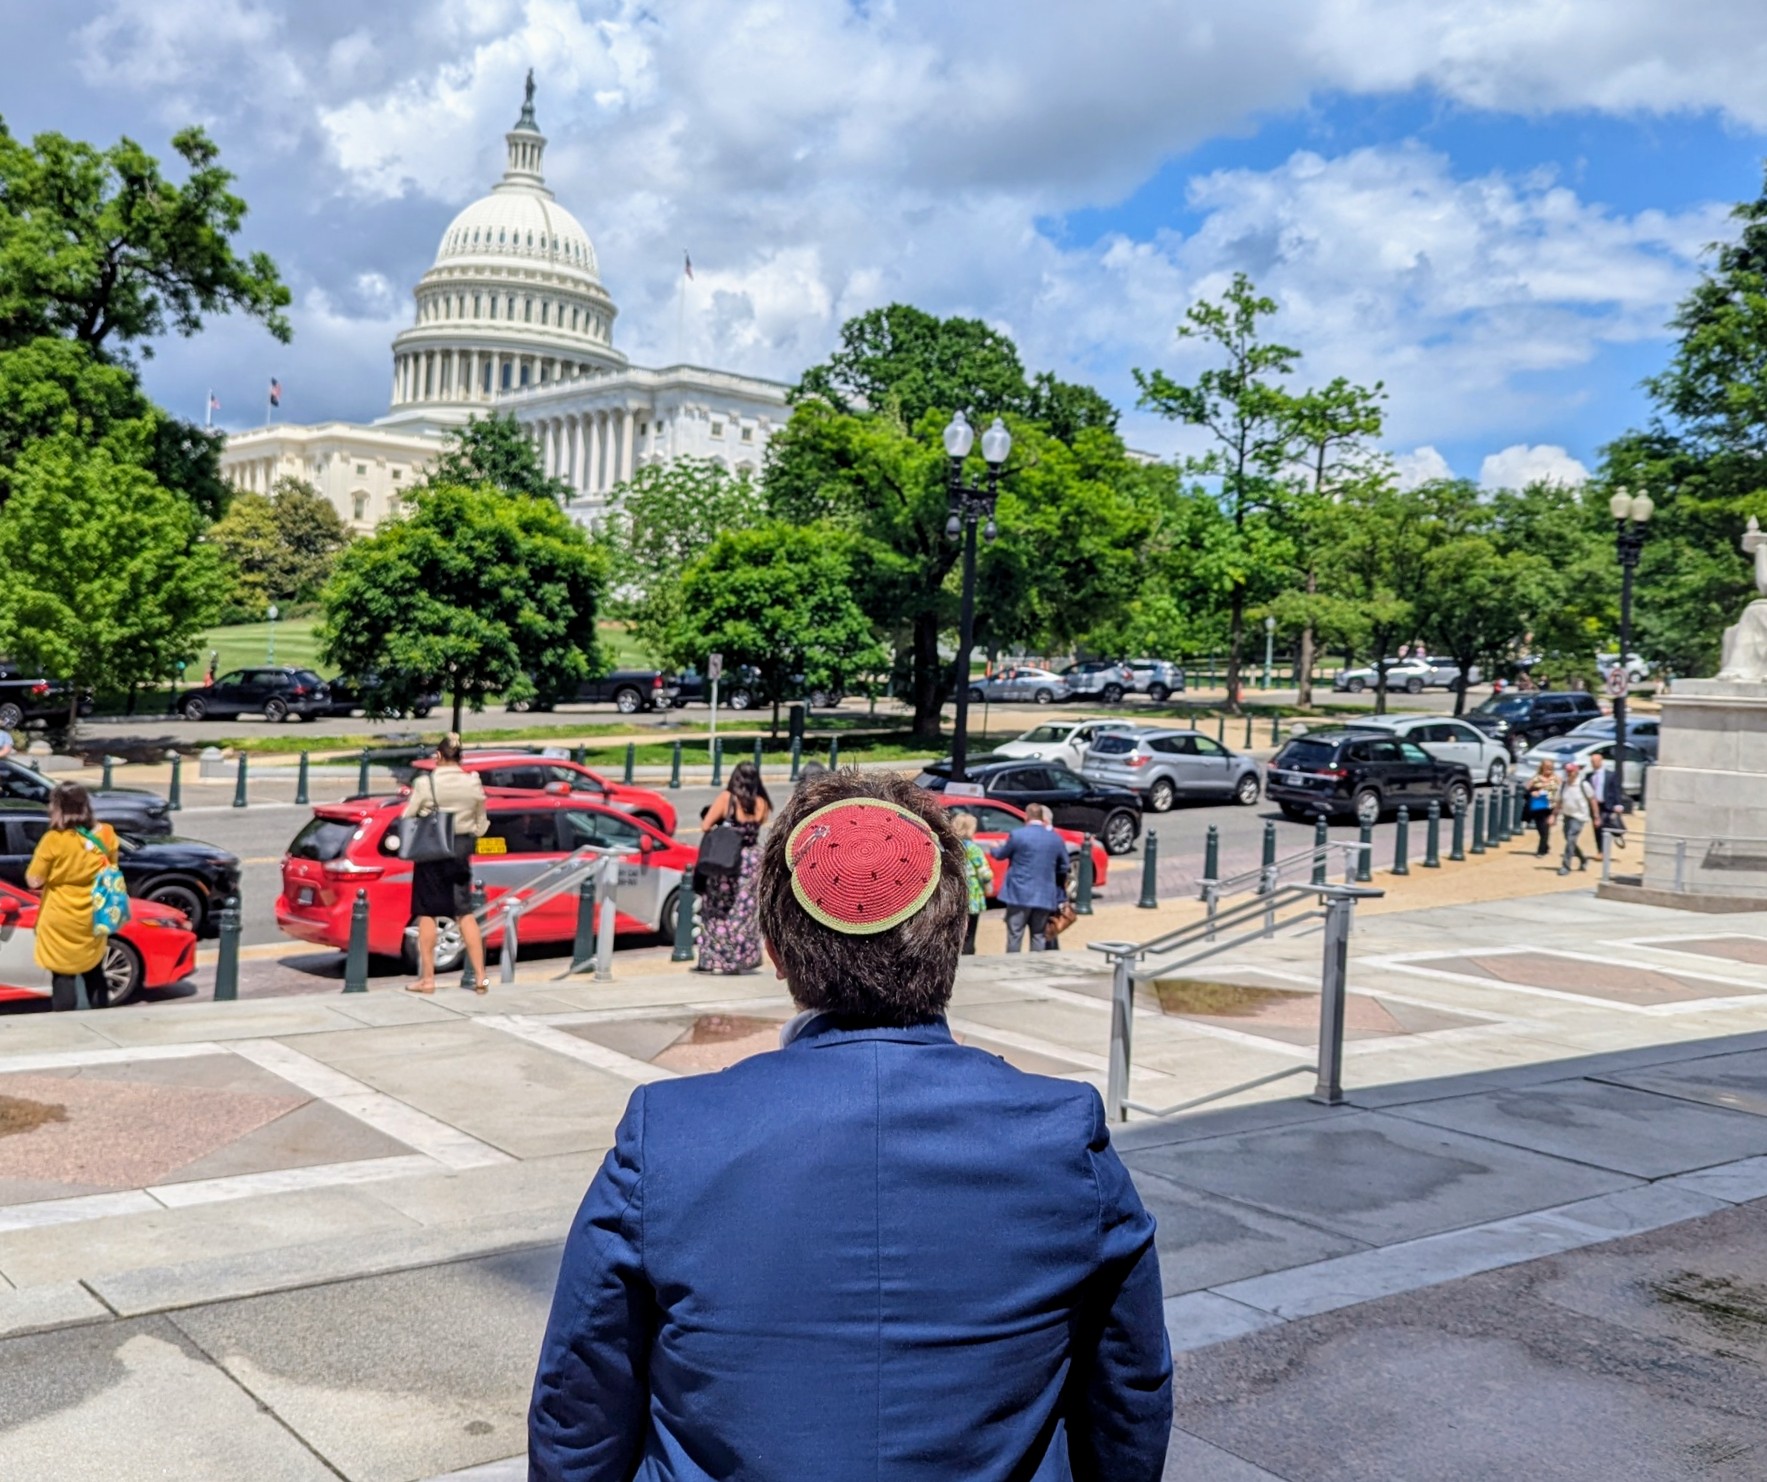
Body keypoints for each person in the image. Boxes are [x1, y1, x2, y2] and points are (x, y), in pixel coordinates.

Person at [529, 771, 1172, 1480]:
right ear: (955, 938)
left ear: (773, 948)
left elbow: (580, 1403)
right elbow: (1128, 1393)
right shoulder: (1062, 1136)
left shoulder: (671, 1137)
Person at [402, 733, 489, 994]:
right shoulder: (473, 782)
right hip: (461, 848)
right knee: (464, 911)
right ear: (460, 757)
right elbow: (482, 824)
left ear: (438, 756)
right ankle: (480, 977)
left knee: (427, 912)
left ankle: (428, 979)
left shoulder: (426, 783)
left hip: (432, 849)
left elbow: (408, 815)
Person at [24, 783, 119, 1011]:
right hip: (93, 911)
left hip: (60, 915)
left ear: (57, 807)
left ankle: (65, 1026)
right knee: (94, 967)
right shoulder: (106, 834)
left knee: (63, 974)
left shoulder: (54, 839)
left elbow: (33, 879)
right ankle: (102, 1018)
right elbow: (112, 867)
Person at [697, 759, 770, 973]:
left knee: (718, 908)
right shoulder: (762, 803)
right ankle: (742, 957)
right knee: (744, 911)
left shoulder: (727, 799)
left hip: (727, 858)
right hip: (752, 860)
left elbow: (705, 825)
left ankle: (718, 958)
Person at [990, 802, 1068, 952]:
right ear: (1042, 817)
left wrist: (994, 848)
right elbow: (1064, 866)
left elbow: (1001, 855)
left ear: (1027, 817)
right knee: (1038, 935)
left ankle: (1014, 969)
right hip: (1044, 893)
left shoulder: (1018, 835)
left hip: (1019, 893)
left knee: (1015, 934)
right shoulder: (1055, 839)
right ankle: (1035, 970)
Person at [950, 811, 993, 954]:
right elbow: (984, 871)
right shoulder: (973, 848)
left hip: (954, 890)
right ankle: (968, 953)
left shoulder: (951, 846)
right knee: (970, 931)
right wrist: (988, 884)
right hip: (972, 893)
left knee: (956, 930)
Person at [1553, 759, 1595, 875]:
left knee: (1571, 838)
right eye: (1567, 772)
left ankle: (1566, 865)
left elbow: (1592, 800)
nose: (1569, 774)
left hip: (1579, 817)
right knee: (1569, 840)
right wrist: (1554, 816)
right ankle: (1582, 858)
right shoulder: (1563, 786)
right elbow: (1559, 802)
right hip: (1567, 815)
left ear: (1576, 772)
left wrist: (1596, 816)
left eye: (1571, 772)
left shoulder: (1583, 785)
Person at [1588, 750, 1628, 848]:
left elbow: (1616, 790)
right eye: (1592, 761)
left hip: (1607, 804)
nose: (1594, 763)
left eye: (1596, 761)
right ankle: (1601, 850)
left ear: (1601, 761)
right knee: (1597, 827)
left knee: (1609, 823)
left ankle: (1617, 835)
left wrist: (1618, 804)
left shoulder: (1610, 775)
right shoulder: (1589, 776)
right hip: (1595, 805)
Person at [1525, 758, 1558, 856]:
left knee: (1546, 828)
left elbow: (1562, 790)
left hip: (1551, 806)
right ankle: (1545, 846)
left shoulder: (1556, 778)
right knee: (1541, 829)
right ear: (1542, 767)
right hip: (1539, 807)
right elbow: (1526, 790)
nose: (1549, 768)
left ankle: (1541, 850)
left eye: (1551, 767)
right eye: (1547, 767)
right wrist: (1533, 792)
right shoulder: (1536, 778)